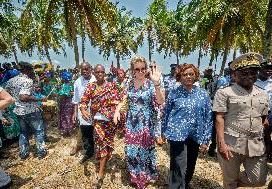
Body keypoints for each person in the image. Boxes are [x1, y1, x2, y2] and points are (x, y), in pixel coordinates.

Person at [213, 53, 269, 189]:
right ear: (234, 74)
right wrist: (221, 145)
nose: (250, 76)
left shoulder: (262, 93)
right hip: (231, 143)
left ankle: (231, 182)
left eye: (253, 72)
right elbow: (219, 118)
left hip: (256, 144)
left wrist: (268, 141)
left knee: (259, 180)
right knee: (230, 181)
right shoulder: (225, 92)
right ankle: (230, 182)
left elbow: (264, 119)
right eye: (244, 73)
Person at [113, 56, 165, 189]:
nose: (141, 71)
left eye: (143, 69)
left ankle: (144, 178)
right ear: (132, 70)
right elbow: (124, 99)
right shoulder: (129, 84)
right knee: (131, 152)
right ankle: (135, 176)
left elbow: (160, 101)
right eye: (137, 69)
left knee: (144, 151)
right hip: (132, 123)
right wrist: (117, 111)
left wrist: (157, 84)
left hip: (146, 123)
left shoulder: (151, 84)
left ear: (146, 69)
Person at [162, 63, 212, 189]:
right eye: (185, 74)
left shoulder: (203, 94)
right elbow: (166, 112)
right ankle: (176, 186)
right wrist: (163, 132)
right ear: (180, 76)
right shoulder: (174, 93)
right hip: (176, 134)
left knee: (190, 164)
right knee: (178, 164)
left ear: (196, 76)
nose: (188, 77)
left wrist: (205, 140)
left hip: (195, 134)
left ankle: (185, 183)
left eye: (191, 74)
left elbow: (208, 117)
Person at [80, 64, 121, 188]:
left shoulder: (111, 86)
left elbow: (120, 99)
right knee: (101, 144)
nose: (99, 74)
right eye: (97, 72)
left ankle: (104, 161)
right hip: (97, 121)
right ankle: (100, 175)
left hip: (110, 121)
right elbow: (84, 100)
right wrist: (83, 110)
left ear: (105, 73)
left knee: (108, 145)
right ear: (93, 72)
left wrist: (117, 112)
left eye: (102, 72)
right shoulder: (91, 86)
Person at [5, 62, 48, 159]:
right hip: (30, 111)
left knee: (23, 132)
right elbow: (23, 97)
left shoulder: (11, 80)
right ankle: (41, 151)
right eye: (31, 70)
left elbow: (6, 93)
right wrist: (40, 99)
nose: (33, 72)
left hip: (18, 111)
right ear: (27, 70)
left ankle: (24, 153)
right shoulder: (27, 81)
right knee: (38, 131)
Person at [71, 62, 96, 161]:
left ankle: (99, 152)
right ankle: (89, 152)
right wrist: (75, 113)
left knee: (97, 132)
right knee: (86, 133)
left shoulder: (96, 79)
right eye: (82, 69)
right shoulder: (77, 82)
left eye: (86, 69)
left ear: (91, 69)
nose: (84, 71)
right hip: (84, 111)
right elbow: (76, 99)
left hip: (97, 111)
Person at [57, 71, 74, 137]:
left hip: (66, 103)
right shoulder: (69, 84)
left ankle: (68, 131)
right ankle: (67, 130)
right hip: (67, 103)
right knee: (67, 116)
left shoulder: (67, 85)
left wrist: (59, 96)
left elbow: (64, 95)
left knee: (66, 116)